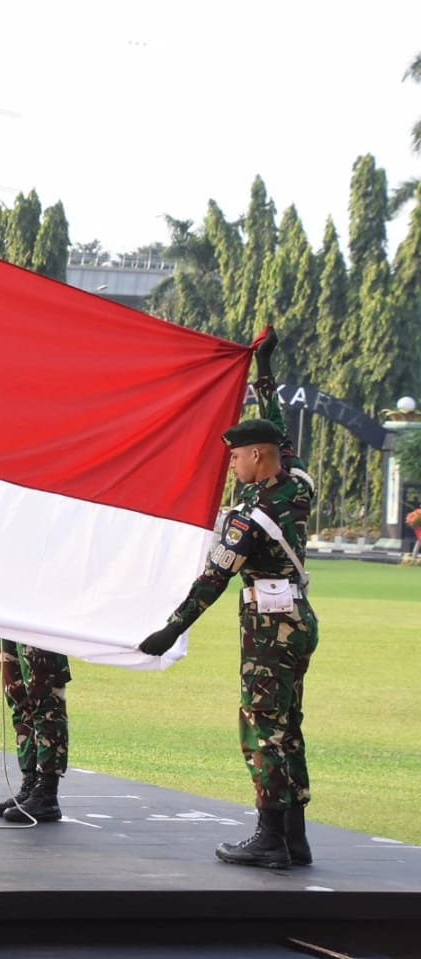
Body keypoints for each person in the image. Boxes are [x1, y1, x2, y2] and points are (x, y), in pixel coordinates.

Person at [139, 328, 318, 869]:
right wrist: (265, 371)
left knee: (261, 726)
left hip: (269, 630)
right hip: (300, 619)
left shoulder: (250, 520)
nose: (233, 465)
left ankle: (268, 838)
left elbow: (213, 580)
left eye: (238, 457)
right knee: (288, 725)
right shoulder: (297, 483)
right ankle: (294, 837)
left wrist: (170, 628)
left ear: (258, 457)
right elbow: (280, 427)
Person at [0, 638, 70, 823]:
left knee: (46, 704)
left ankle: (46, 792)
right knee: (19, 699)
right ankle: (29, 786)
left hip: (37, 623)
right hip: (8, 618)